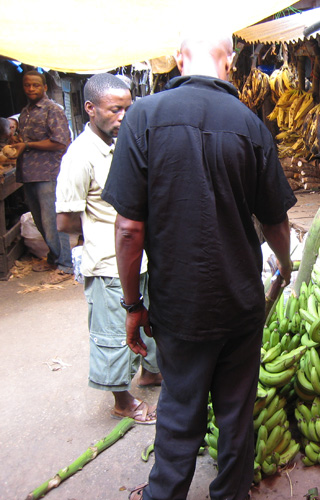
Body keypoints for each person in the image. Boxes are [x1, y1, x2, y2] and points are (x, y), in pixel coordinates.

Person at [102, 30, 296, 500]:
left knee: (179, 412)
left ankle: (163, 494)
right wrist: (285, 265)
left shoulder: (142, 118)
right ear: (231, 60)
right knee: (235, 416)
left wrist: (132, 304)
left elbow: (129, 229)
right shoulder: (252, 126)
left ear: (176, 59)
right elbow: (276, 221)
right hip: (240, 303)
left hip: (180, 306)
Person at [55, 73, 161, 425]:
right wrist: (93, 238)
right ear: (90, 109)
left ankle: (149, 373)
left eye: (127, 110)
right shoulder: (80, 156)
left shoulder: (124, 144)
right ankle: (121, 400)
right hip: (106, 260)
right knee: (114, 332)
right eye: (115, 110)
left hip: (138, 256)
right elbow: (66, 220)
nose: (123, 117)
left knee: (148, 320)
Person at [13, 70, 73, 275]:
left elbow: (60, 142)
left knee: (52, 221)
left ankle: (66, 265)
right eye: (27, 85)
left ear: (45, 87)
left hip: (48, 173)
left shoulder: (52, 110)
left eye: (35, 85)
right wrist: (18, 144)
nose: (30, 89)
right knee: (40, 221)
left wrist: (27, 145)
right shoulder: (26, 112)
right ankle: (54, 258)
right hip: (29, 174)